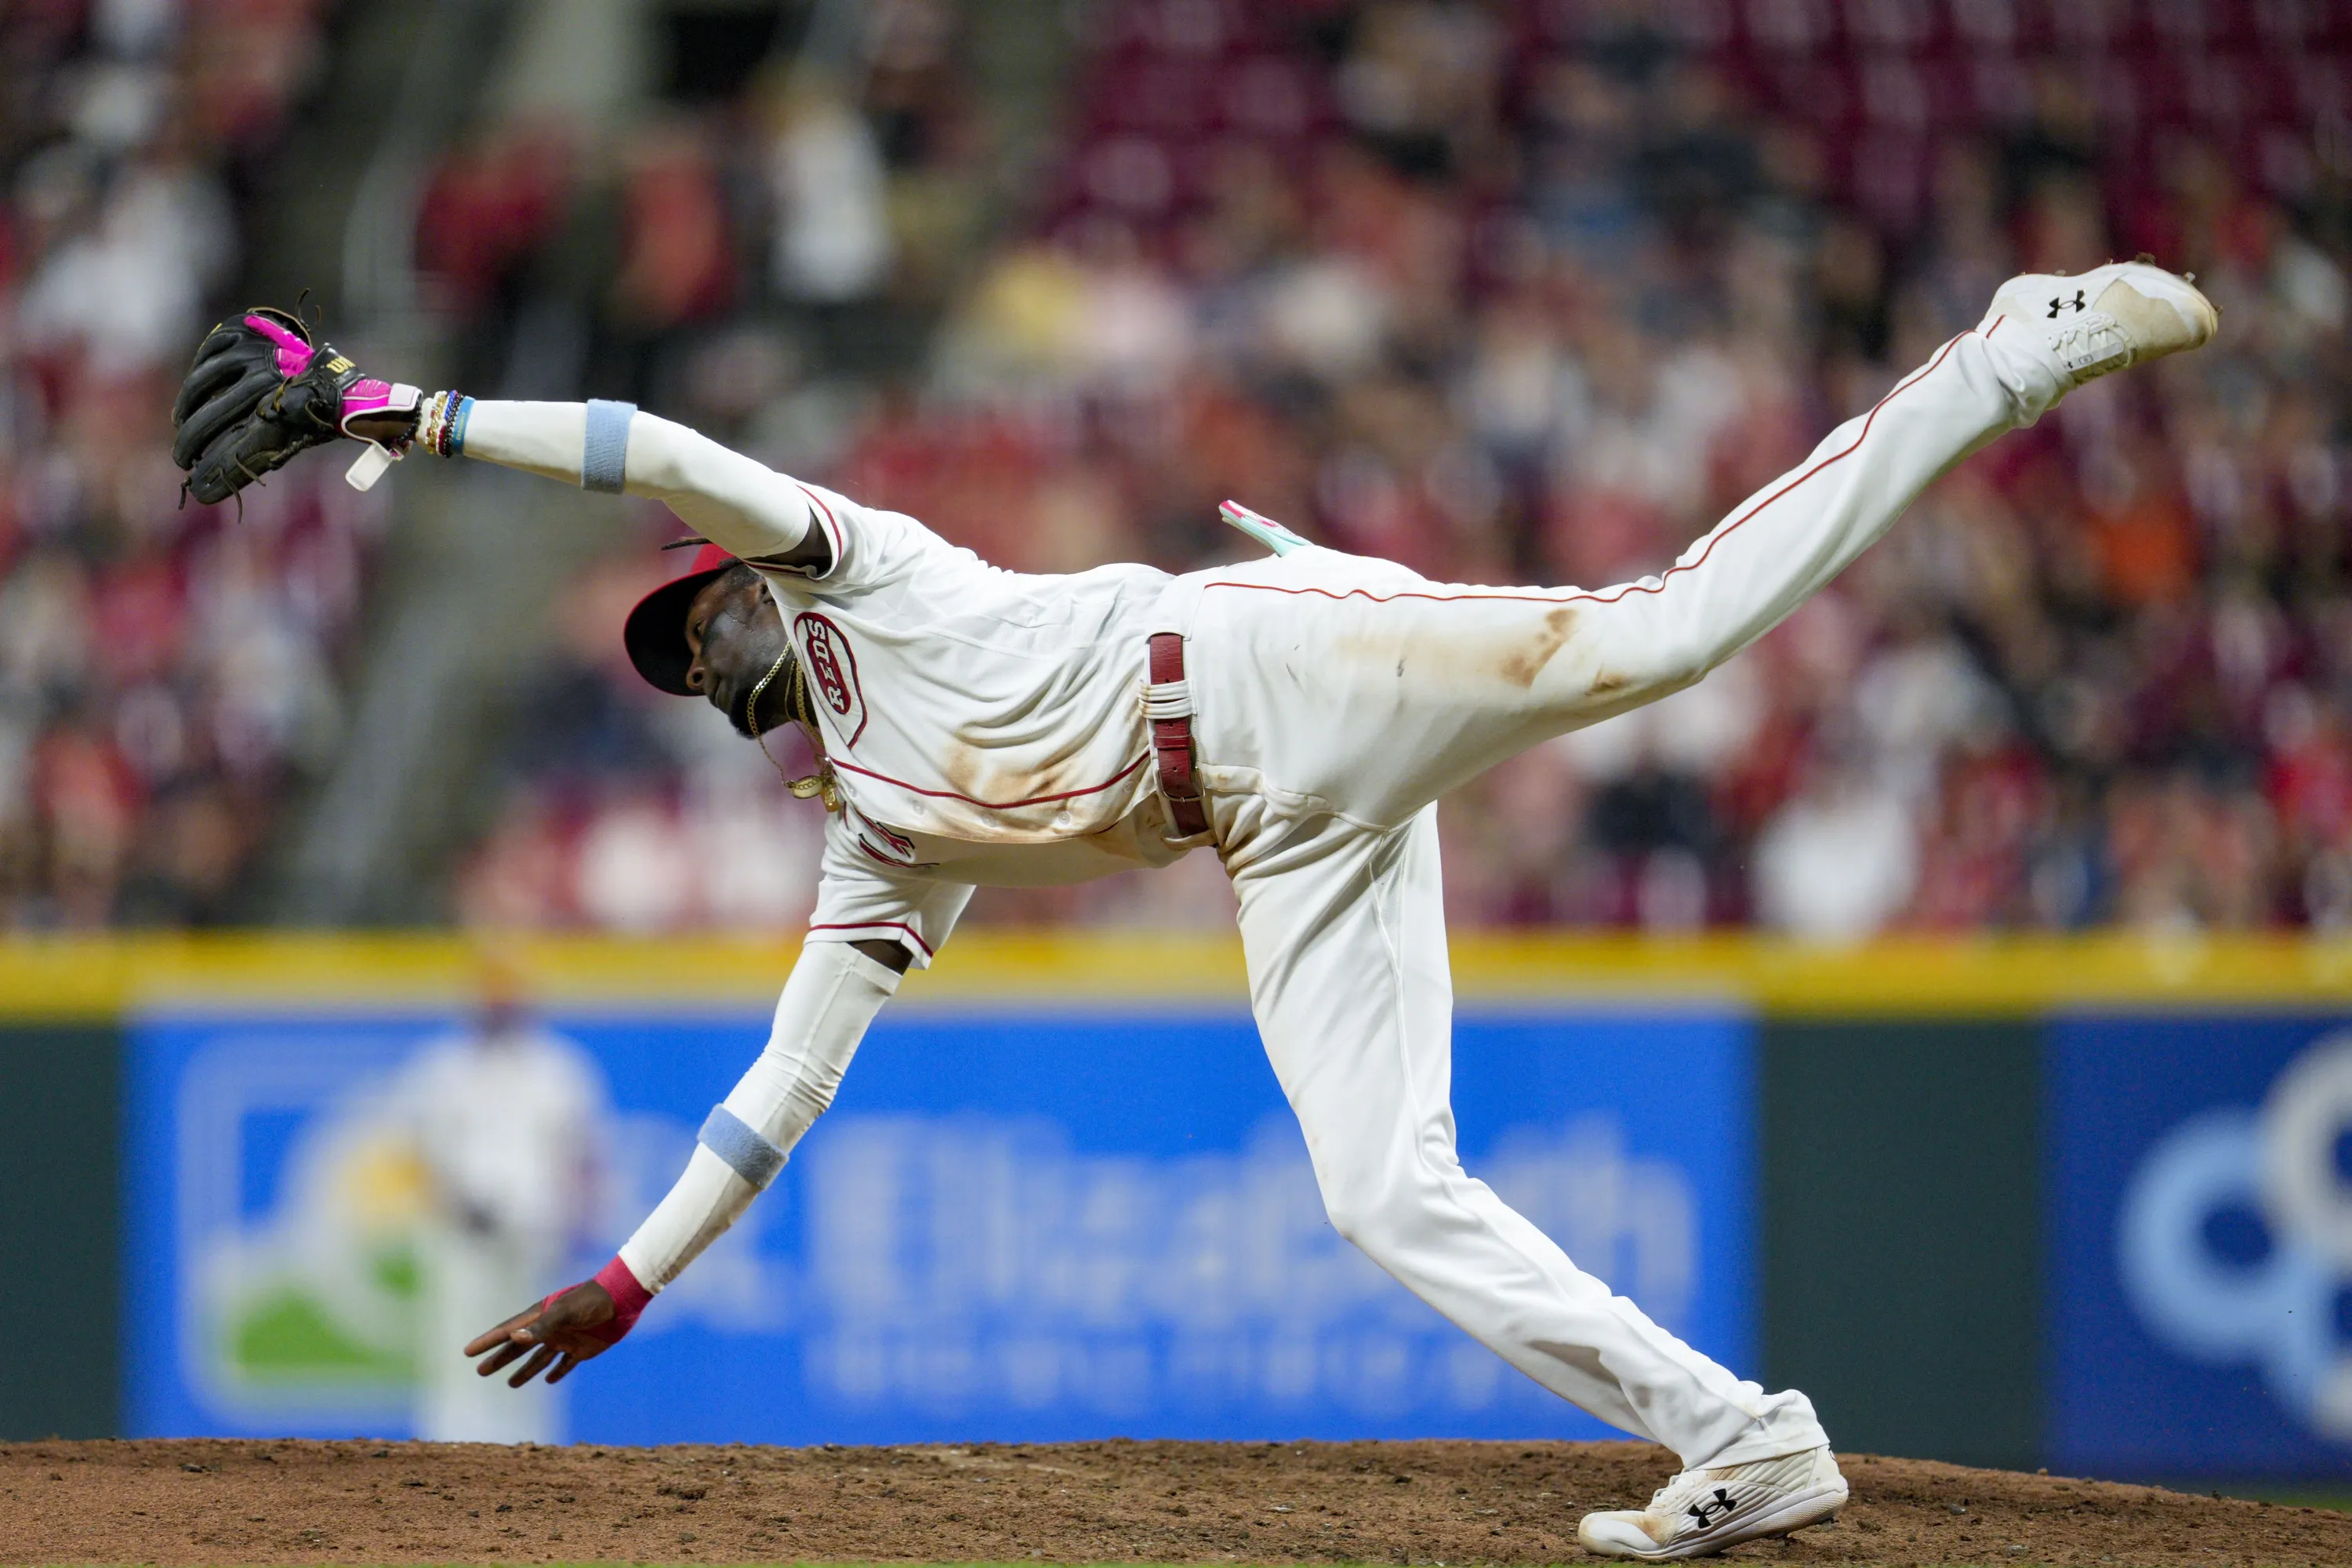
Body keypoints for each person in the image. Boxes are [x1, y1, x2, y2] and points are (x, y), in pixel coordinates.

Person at [172, 260, 2214, 1559]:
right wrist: (631, 1281)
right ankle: (1748, 1440)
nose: (696, 651)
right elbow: (782, 1090)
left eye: (695, 618)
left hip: (1262, 663)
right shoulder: (882, 843)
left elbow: (660, 449)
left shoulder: (862, 572)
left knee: (1660, 637)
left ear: (745, 590)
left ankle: (2004, 354)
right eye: (676, 662)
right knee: (1382, 1194)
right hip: (1273, 834)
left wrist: (402, 410)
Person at [390, 949, 608, 1443]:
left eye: (507, 997)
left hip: (537, 1230)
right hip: (462, 1231)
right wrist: (452, 1202)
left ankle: (530, 1452)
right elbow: (415, 1153)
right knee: (459, 1344)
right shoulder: (443, 1069)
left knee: (538, 1345)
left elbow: (584, 1155)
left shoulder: (558, 1068)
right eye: (490, 997)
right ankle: (450, 1450)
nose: (498, 1007)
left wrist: (581, 1223)